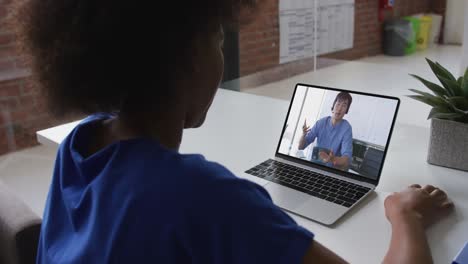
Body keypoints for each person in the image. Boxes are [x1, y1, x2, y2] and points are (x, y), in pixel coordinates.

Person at [12, 0, 454, 263]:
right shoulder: (202, 195)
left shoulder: (79, 145)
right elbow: (306, 151)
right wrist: (406, 215)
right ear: (185, 57)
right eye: (218, 42)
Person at [298, 92, 353, 171]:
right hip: (315, 166)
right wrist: (303, 135)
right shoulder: (321, 123)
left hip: (332, 170)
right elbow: (301, 147)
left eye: (344, 105)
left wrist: (332, 159)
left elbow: (347, 159)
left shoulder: (346, 128)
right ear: (333, 106)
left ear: (346, 110)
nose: (339, 108)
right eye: (338, 104)